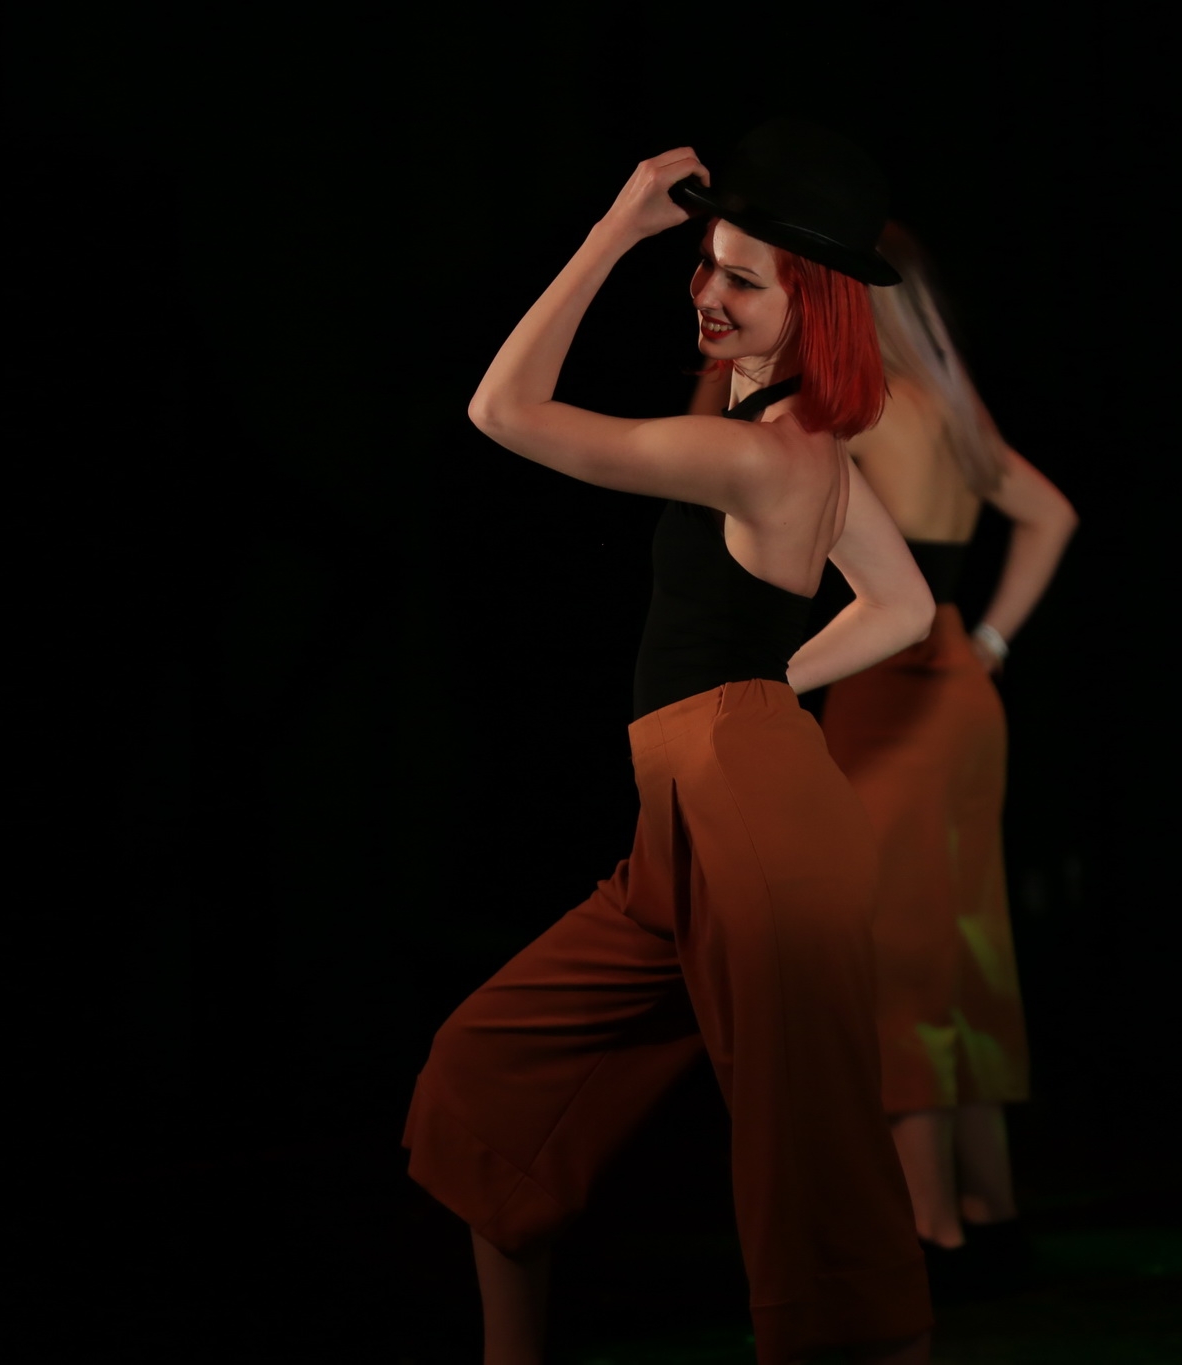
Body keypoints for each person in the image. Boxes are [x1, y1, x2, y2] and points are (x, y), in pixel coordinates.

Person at [404, 121, 938, 1365]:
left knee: (812, 1174)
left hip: (748, 817)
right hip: (700, 817)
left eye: (742, 278)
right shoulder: (803, 446)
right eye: (702, 263)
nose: (705, 291)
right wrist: (761, 689)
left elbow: (499, 409)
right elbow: (903, 608)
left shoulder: (750, 454)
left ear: (811, 306)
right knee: (489, 1076)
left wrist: (612, 230)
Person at [818, 223, 1073, 1287]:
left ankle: (932, 1231)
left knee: (901, 958)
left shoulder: (856, 406)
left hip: (892, 691)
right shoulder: (951, 405)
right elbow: (1051, 514)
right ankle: (989, 1210)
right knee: (967, 951)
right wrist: (993, 642)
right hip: (961, 690)